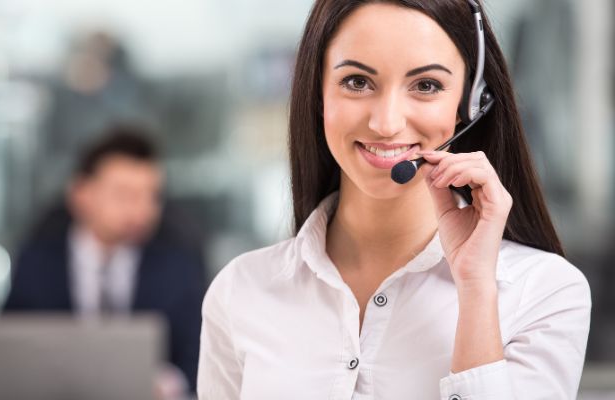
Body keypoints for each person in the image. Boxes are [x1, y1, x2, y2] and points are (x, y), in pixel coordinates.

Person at [197, 1, 591, 399]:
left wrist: (476, 292)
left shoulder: (545, 293)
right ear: (318, 93)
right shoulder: (241, 291)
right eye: (356, 82)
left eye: (426, 85)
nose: (386, 123)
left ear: (471, 104)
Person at [4, 127, 206, 395]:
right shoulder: (37, 265)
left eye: (151, 196)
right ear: (81, 194)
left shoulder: (178, 266)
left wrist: (170, 384)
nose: (141, 211)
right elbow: (2, 360)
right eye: (124, 194)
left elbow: (202, 357)